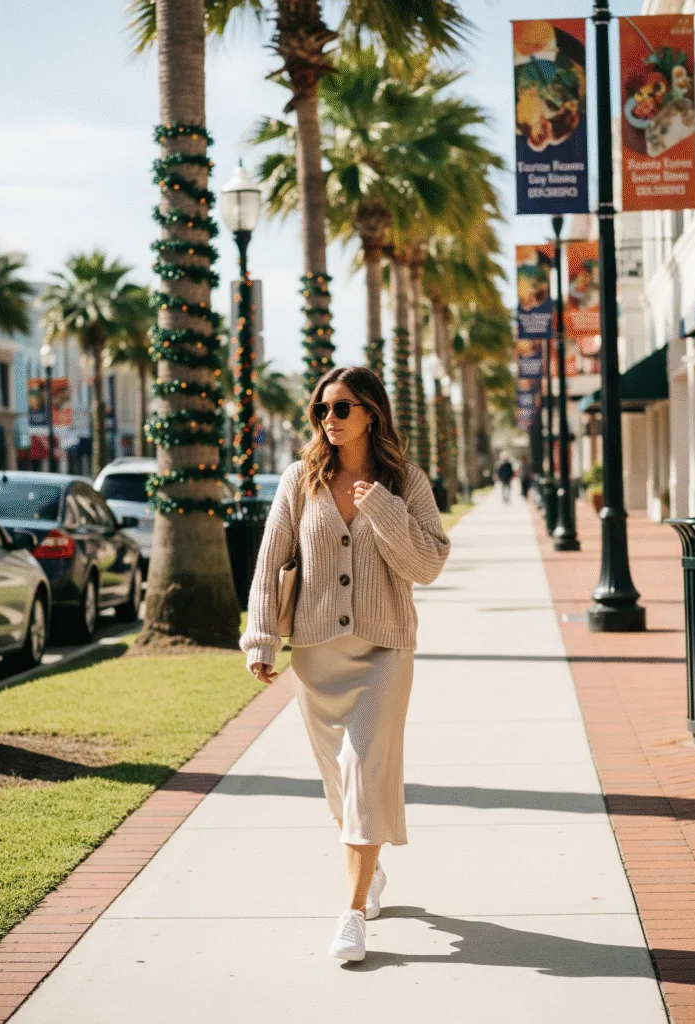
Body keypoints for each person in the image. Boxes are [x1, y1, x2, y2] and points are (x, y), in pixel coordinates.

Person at [240, 366, 451, 963]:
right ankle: (369, 866)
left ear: (370, 414)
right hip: (316, 655)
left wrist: (382, 508)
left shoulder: (404, 481)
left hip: (386, 649)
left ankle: (352, 913)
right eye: (321, 410)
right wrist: (261, 638)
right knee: (340, 782)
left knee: (363, 767)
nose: (328, 420)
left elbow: (428, 564)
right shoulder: (298, 480)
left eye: (341, 408)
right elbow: (270, 561)